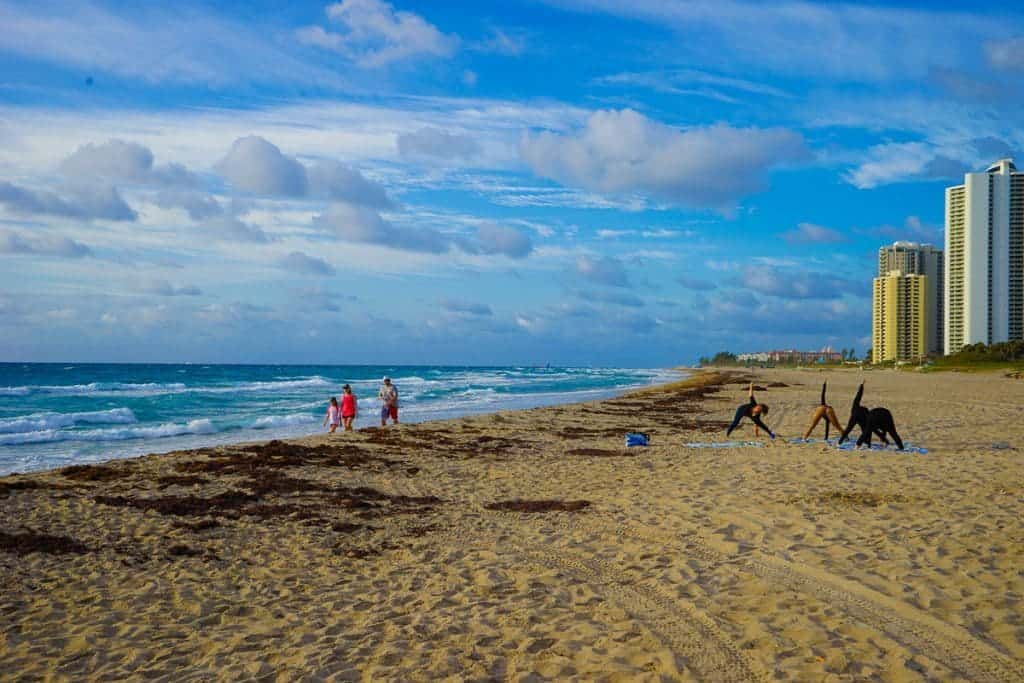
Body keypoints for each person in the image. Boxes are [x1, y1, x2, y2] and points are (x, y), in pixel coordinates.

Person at [838, 382, 904, 450]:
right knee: (892, 433)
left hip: (874, 415)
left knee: (856, 430)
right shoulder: (869, 415)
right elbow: (877, 432)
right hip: (885, 414)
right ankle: (900, 447)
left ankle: (841, 442)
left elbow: (858, 397)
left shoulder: (859, 411)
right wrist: (884, 440)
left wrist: (861, 387)